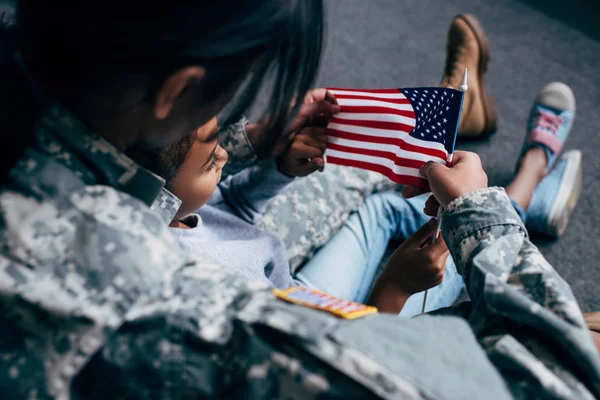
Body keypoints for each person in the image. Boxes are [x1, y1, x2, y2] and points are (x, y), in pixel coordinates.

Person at [1, 3, 599, 400]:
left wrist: (246, 142)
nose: (234, 116)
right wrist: (483, 218)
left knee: (376, 195)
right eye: (233, 93)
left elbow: (179, 205)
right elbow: (556, 381)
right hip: (321, 305)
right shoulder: (169, 309)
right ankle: (527, 180)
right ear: (178, 90)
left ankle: (486, 142)